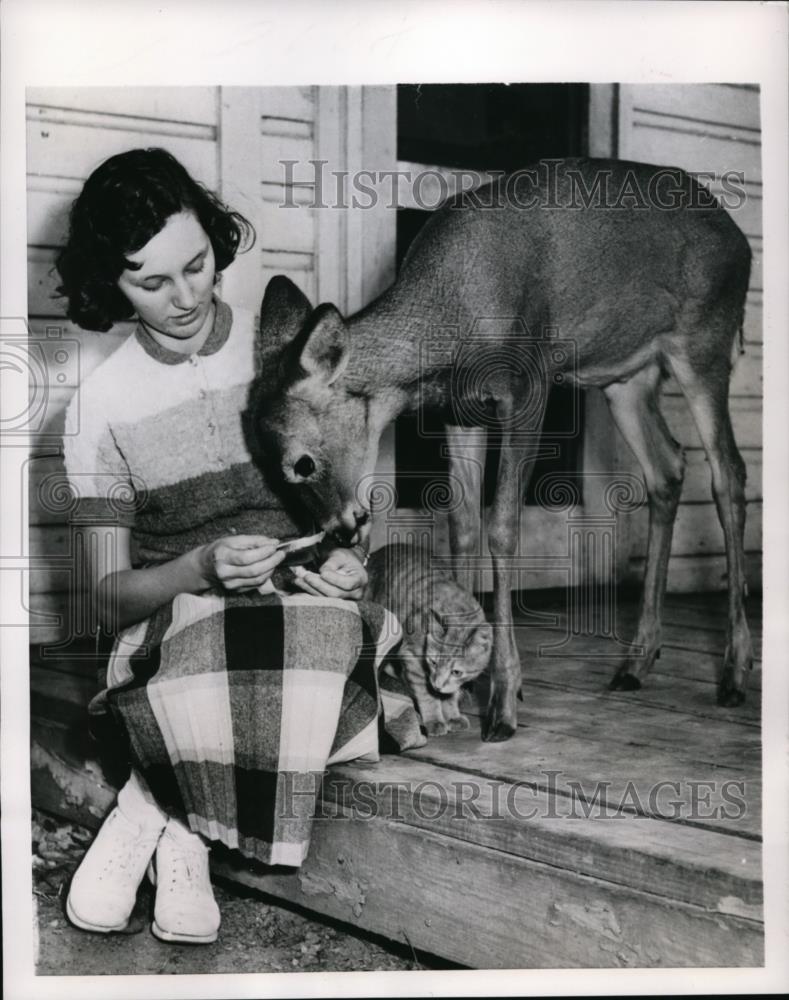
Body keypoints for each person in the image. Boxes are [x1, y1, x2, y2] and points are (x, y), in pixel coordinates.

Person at [56, 147, 401, 945]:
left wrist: (345, 548)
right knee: (226, 632)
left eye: (197, 265)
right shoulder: (96, 408)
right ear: (109, 282)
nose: (183, 298)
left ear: (215, 243)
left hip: (298, 609)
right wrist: (198, 568)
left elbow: (343, 504)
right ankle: (189, 834)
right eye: (149, 281)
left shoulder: (280, 351)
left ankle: (158, 811)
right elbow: (106, 596)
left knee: (315, 624)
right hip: (174, 621)